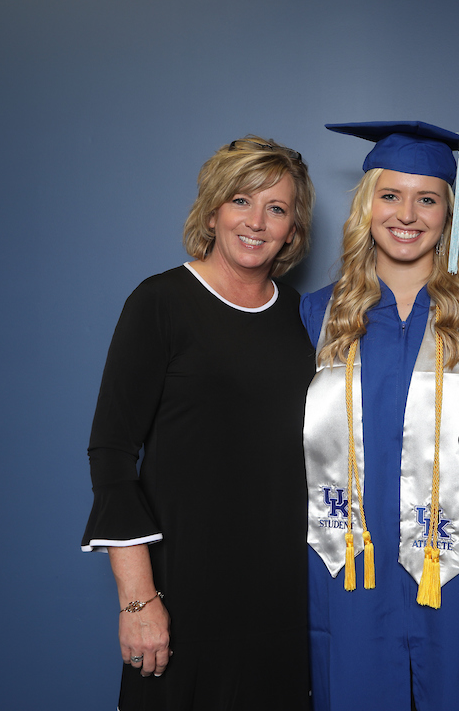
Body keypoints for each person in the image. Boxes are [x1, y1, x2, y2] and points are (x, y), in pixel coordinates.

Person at [81, 135, 316, 710]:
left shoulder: (304, 317)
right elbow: (111, 453)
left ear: (293, 229)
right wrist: (138, 601)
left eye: (276, 208)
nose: (256, 222)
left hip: (282, 596)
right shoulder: (161, 302)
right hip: (181, 592)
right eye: (241, 201)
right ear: (212, 211)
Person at [302, 121, 459, 711]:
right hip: (348, 561)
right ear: (366, 204)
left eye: (428, 198)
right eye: (390, 195)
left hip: (454, 558)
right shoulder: (318, 314)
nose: (408, 214)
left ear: (448, 212)